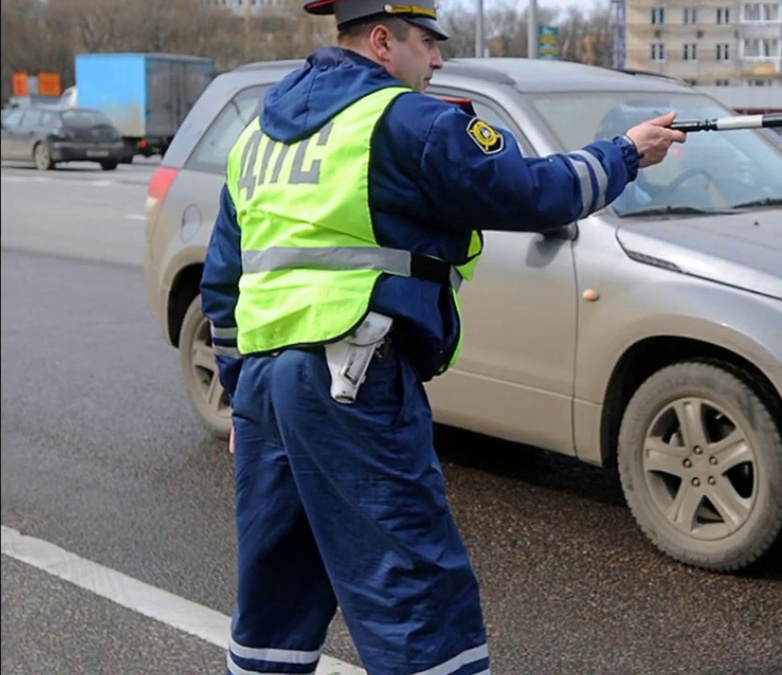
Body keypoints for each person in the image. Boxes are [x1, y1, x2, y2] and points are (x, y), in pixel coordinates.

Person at [198, 0, 686, 673]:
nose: (438, 59)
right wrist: (628, 151)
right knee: (416, 593)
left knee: (276, 590)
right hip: (352, 377)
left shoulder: (258, 137)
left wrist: (237, 398)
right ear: (381, 41)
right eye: (428, 42)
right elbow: (536, 192)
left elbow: (223, 284)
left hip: (264, 391)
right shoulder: (406, 119)